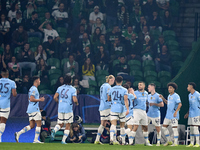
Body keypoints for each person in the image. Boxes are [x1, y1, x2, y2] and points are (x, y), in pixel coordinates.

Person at [15, 76, 45, 143]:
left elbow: (29, 99)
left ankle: (18, 133)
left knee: (32, 125)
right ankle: (36, 140)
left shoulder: (31, 89)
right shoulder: (34, 89)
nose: (40, 81)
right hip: (34, 109)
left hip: (30, 109)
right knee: (39, 123)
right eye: (39, 80)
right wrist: (40, 99)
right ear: (36, 80)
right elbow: (31, 99)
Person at [51, 75, 79, 144]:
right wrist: (77, 103)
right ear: (70, 81)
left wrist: (58, 102)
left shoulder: (60, 88)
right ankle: (63, 140)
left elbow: (55, 97)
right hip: (68, 108)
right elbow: (74, 99)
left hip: (60, 108)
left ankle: (54, 130)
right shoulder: (73, 89)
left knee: (60, 124)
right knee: (68, 125)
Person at [108, 76, 129, 145]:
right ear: (122, 81)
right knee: (122, 125)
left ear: (115, 81)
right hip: (121, 108)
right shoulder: (124, 90)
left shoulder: (111, 89)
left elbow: (108, 99)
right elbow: (125, 100)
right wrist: (127, 109)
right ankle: (123, 141)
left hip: (113, 108)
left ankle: (111, 139)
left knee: (113, 124)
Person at [159, 82, 182, 146]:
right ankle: (169, 141)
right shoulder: (169, 96)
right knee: (163, 128)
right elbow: (167, 102)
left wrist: (176, 112)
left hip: (174, 115)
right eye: (168, 88)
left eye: (170, 88)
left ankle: (175, 143)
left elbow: (180, 104)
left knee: (174, 129)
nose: (169, 89)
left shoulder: (176, 95)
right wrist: (163, 98)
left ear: (174, 89)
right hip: (168, 115)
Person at [94, 75, 115, 144]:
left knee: (102, 124)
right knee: (113, 123)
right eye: (113, 80)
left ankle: (97, 140)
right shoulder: (108, 87)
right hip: (107, 107)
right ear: (111, 80)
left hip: (102, 107)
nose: (113, 82)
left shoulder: (102, 86)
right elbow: (108, 97)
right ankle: (113, 139)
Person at [132, 81, 152, 146]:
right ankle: (131, 141)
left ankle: (146, 142)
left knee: (145, 127)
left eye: (140, 85)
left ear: (144, 86)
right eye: (138, 85)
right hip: (136, 111)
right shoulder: (135, 93)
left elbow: (146, 102)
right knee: (136, 126)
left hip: (143, 111)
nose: (139, 86)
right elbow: (131, 100)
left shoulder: (146, 93)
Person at [0, 68, 17, 142]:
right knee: (3, 121)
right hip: (5, 104)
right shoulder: (12, 82)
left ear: (1, 74)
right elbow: (14, 94)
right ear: (8, 74)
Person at [184, 82, 200, 147]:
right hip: (191, 114)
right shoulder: (189, 95)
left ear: (191, 87)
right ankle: (191, 143)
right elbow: (190, 105)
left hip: (197, 113)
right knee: (191, 128)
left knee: (196, 128)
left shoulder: (197, 94)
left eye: (188, 86)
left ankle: (198, 143)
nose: (187, 88)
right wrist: (187, 113)